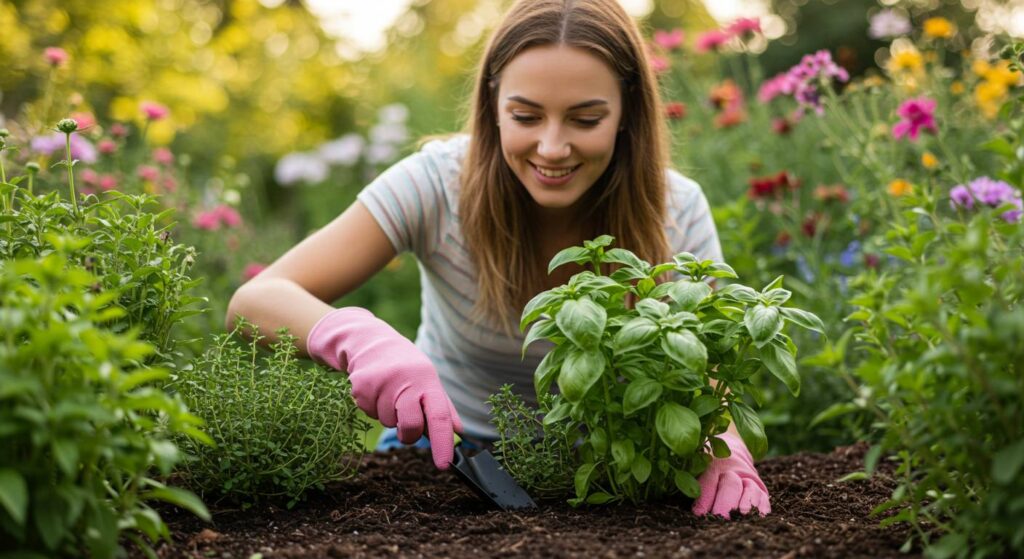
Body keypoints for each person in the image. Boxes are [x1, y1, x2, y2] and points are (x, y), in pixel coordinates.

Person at [226, 0, 770, 519]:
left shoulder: (675, 210)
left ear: (627, 112)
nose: (552, 148)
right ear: (492, 104)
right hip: (444, 456)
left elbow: (706, 370)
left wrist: (719, 444)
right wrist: (356, 337)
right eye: (526, 116)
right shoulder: (437, 184)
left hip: (611, 468)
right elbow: (254, 300)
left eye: (585, 120)